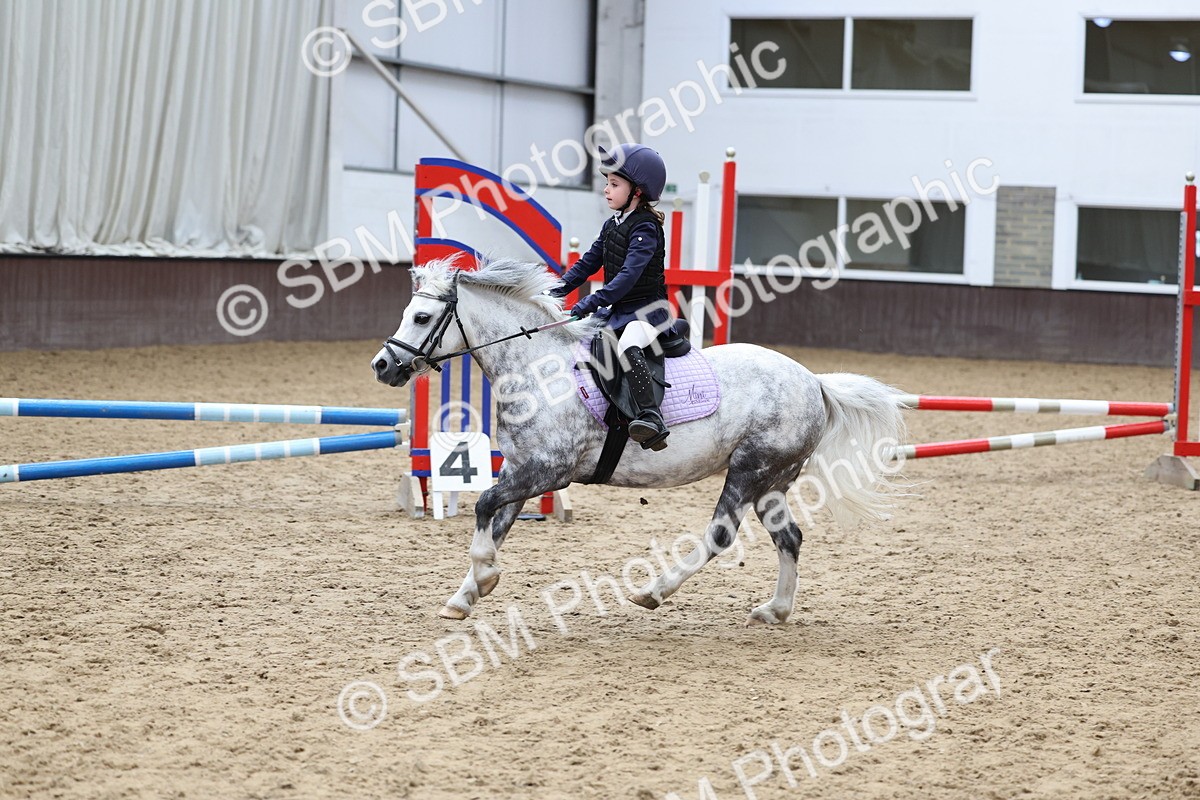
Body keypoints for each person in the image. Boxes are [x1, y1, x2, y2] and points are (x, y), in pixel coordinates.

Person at [550, 143, 674, 450]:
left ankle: (650, 417)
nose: (606, 189)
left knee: (630, 343)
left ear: (638, 192)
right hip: (617, 311)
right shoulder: (611, 226)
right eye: (607, 183)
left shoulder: (646, 227)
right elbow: (587, 263)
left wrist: (589, 302)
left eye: (614, 184)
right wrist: (554, 290)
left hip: (648, 311)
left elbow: (628, 277)